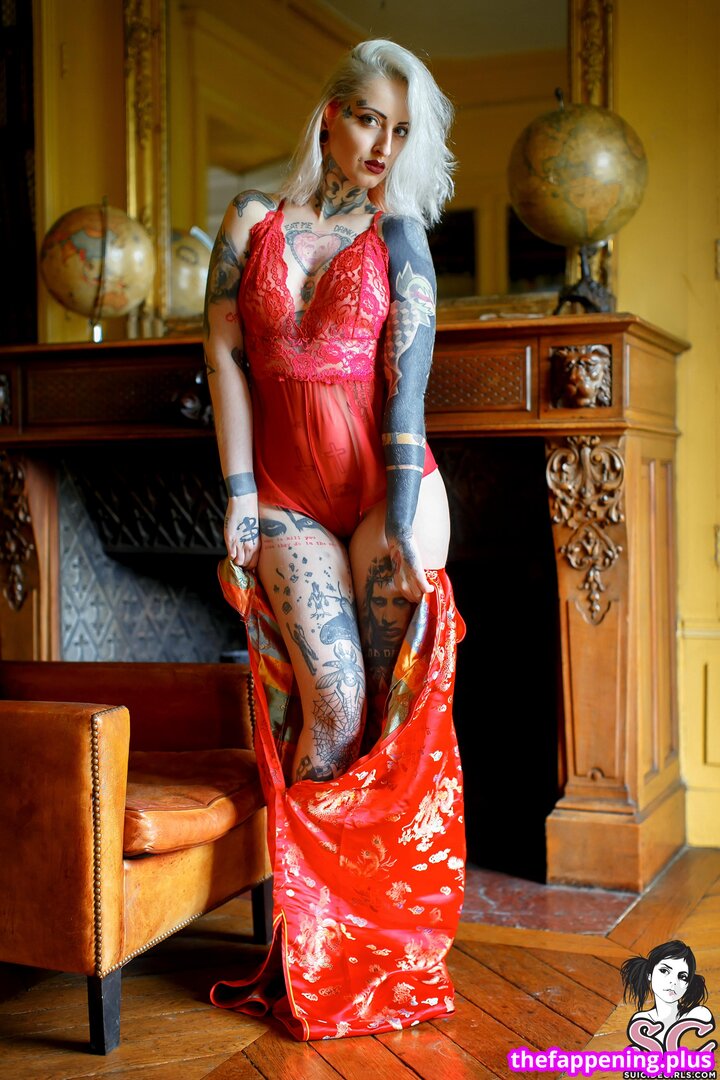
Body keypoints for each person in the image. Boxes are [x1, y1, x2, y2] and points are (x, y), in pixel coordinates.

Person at [204, 39, 465, 1041]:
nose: (381, 144)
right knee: (336, 703)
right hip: (284, 498)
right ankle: (310, 945)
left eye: (400, 130)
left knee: (384, 718)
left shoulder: (399, 237)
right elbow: (225, 356)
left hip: (383, 494)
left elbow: (407, 389)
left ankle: (379, 944)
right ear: (328, 113)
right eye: (367, 118)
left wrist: (398, 521)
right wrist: (237, 492)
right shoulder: (251, 221)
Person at [621, 940, 714, 1049]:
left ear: (688, 985)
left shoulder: (699, 1015)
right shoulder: (641, 1021)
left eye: (682, 977)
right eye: (664, 971)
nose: (673, 982)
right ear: (649, 974)